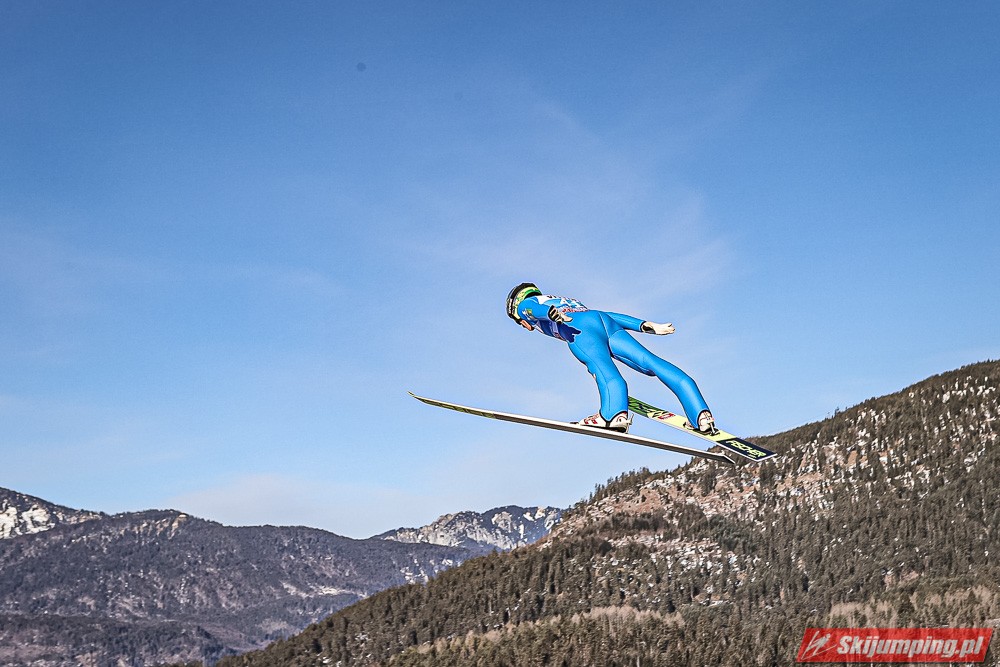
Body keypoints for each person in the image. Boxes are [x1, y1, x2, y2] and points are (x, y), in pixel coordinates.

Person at [506, 282, 717, 435]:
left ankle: (613, 415)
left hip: (577, 328)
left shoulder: (527, 304)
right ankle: (700, 414)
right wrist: (644, 325)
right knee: (650, 362)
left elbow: (531, 309)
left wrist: (549, 313)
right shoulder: (564, 299)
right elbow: (605, 314)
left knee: (603, 369)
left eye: (518, 321)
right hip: (603, 321)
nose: (523, 325)